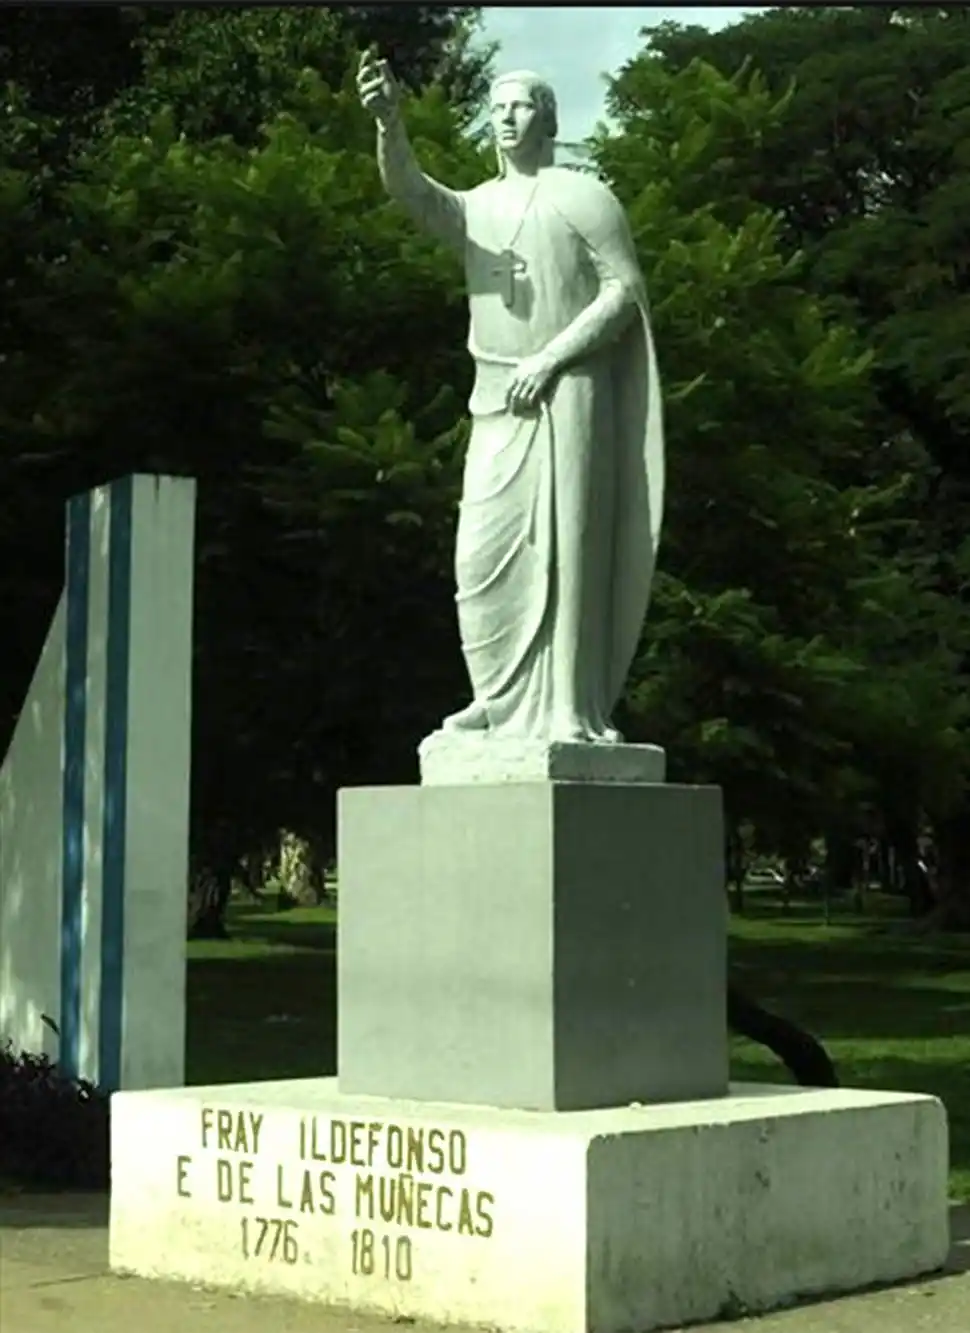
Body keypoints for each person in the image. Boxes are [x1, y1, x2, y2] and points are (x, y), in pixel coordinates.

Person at [357, 51, 664, 745]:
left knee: (570, 548)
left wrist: (553, 358)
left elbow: (623, 292)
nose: (505, 117)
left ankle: (568, 708)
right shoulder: (478, 206)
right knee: (482, 556)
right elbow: (411, 193)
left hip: (571, 390)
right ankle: (494, 698)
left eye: (520, 106)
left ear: (548, 120)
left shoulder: (585, 197)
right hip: (497, 398)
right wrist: (388, 122)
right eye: (496, 108)